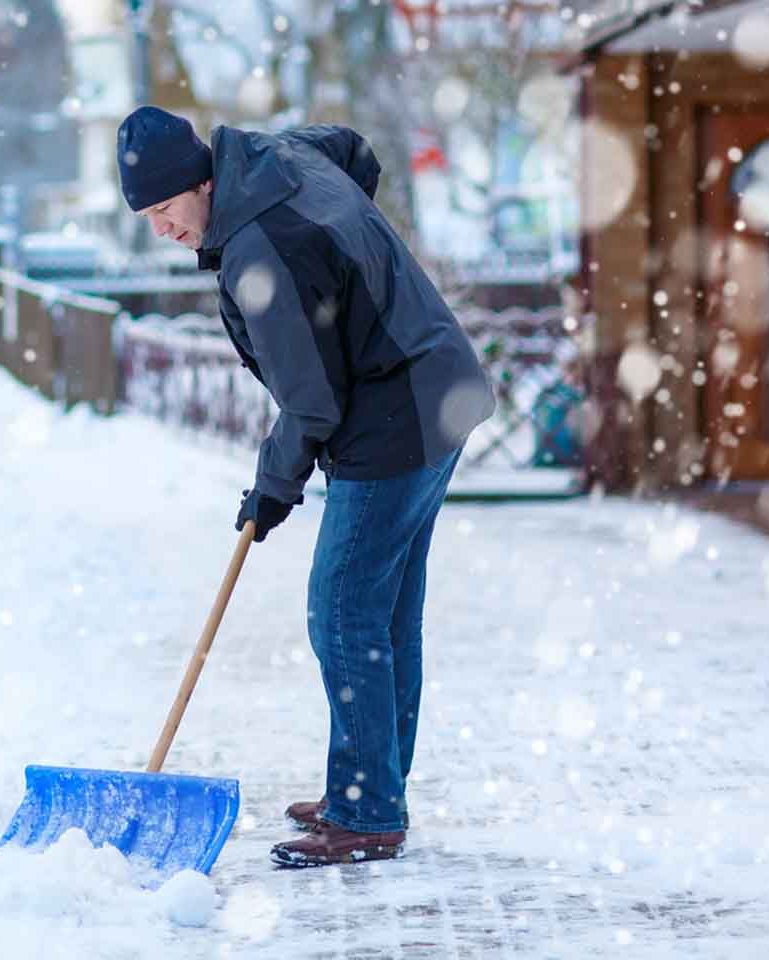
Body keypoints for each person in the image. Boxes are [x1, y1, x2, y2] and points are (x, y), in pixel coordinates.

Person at [116, 106, 495, 867]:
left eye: (164, 210)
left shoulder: (264, 249)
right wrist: (354, 259)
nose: (160, 230)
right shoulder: (276, 161)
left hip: (395, 420)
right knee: (383, 615)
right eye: (147, 216)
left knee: (344, 612)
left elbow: (312, 401)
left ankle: (367, 810)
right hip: (433, 389)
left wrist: (272, 487)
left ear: (201, 183)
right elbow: (352, 149)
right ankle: (372, 787)